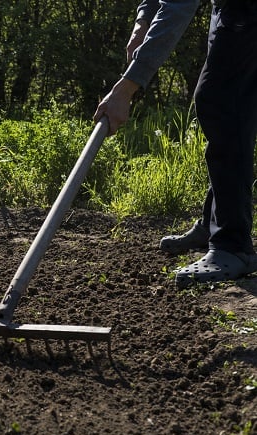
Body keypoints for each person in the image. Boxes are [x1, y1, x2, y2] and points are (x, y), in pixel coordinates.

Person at [94, 0, 257, 289]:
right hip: (226, 8)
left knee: (222, 105)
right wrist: (143, 20)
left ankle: (233, 245)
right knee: (223, 106)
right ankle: (214, 225)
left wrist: (126, 88)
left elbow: (180, 4)